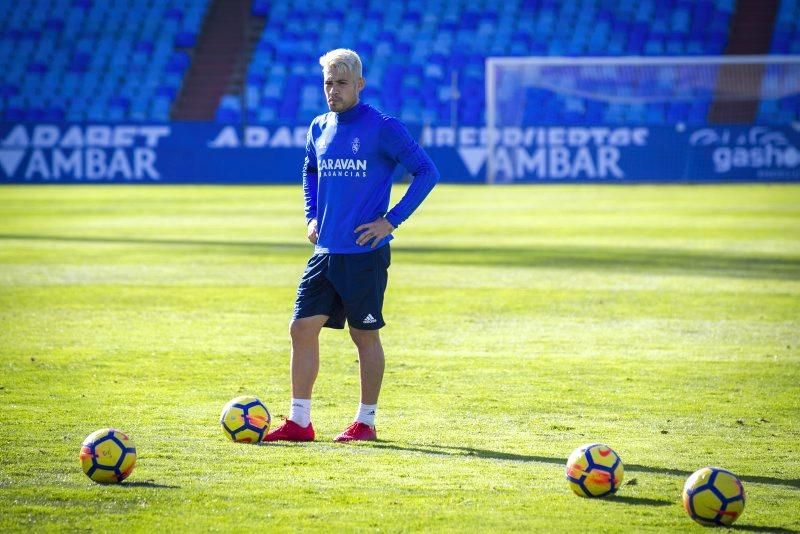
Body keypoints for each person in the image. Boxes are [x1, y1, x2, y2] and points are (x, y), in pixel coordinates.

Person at [263, 49, 439, 443]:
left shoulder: (383, 127)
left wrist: (391, 221)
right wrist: (311, 215)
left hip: (364, 254)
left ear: (360, 84)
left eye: (341, 83)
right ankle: (299, 422)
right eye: (328, 83)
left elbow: (427, 171)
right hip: (324, 251)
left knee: (364, 336)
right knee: (301, 328)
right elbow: (310, 169)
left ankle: (366, 422)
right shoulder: (318, 127)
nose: (333, 90)